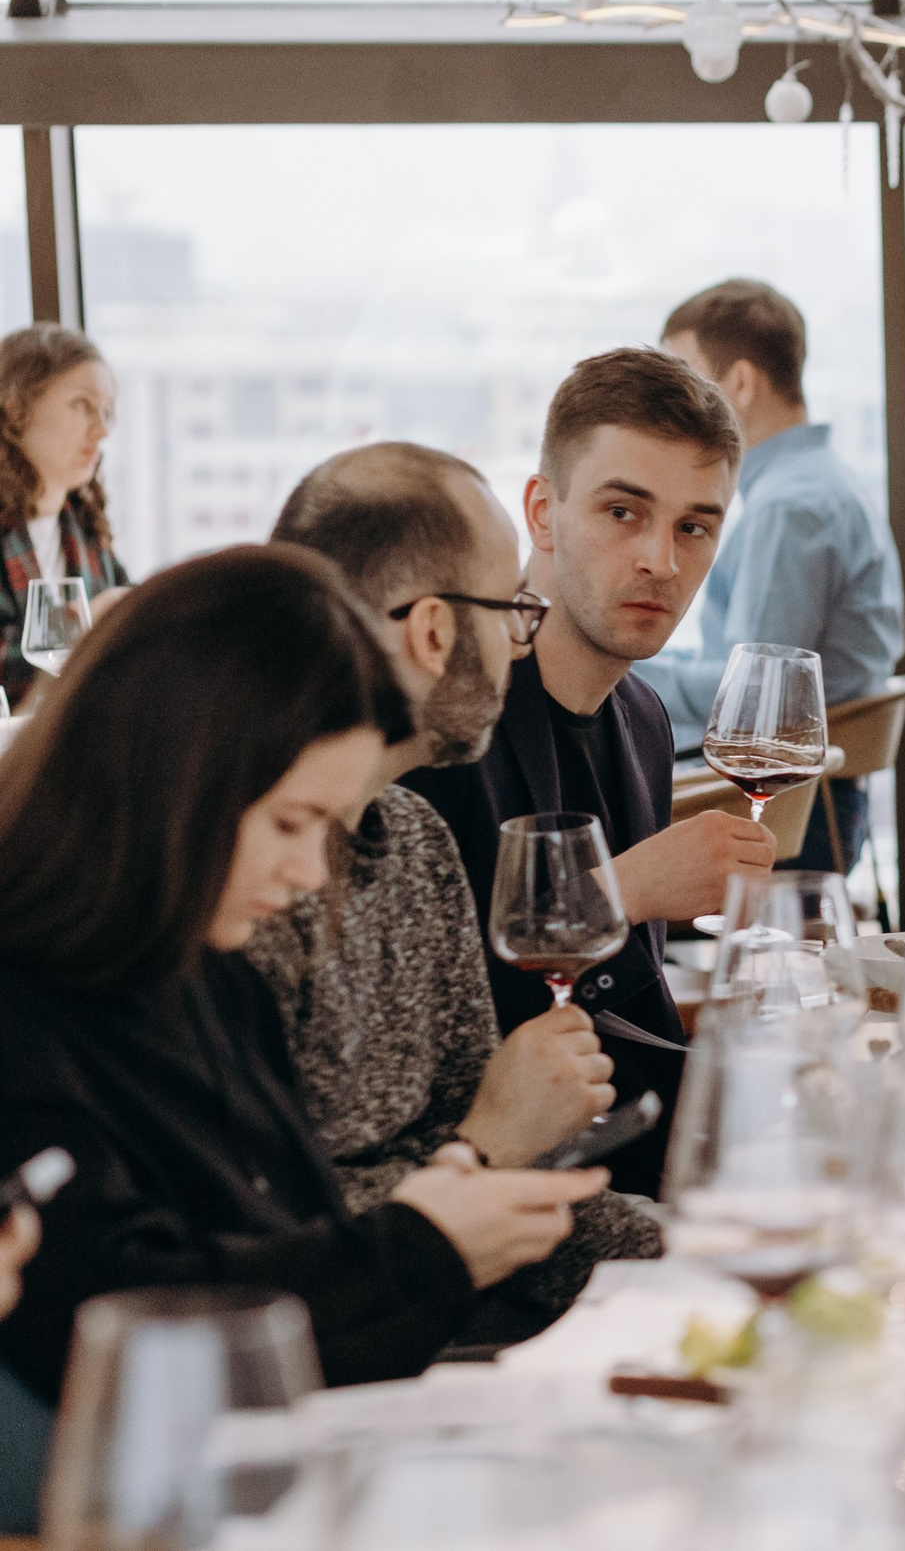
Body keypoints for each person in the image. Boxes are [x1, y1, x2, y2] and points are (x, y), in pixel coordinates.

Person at [0, 545, 605, 1404]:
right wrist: (425, 1247)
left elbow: (298, 1256)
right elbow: (118, 1330)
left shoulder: (217, 981)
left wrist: (442, 1204)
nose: (310, 875)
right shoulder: (25, 1010)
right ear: (172, 781)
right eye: (291, 823)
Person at [262, 442, 662, 1334]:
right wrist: (490, 1142)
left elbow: (511, 1178)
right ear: (436, 631)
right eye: (515, 609)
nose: (524, 638)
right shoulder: (239, 888)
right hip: (368, 1348)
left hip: (474, 1301)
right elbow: (278, 1255)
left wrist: (681, 1271)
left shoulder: (414, 842)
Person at [406, 350, 774, 1195]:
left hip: (621, 1159)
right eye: (622, 511)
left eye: (695, 526)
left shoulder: (643, 719)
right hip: (477, 1189)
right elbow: (441, 1032)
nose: (661, 560)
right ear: (542, 511)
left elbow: (617, 1016)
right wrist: (620, 891)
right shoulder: (448, 719)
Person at [642, 281, 905, 871]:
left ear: (739, 383)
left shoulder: (789, 508)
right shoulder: (821, 482)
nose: (668, 406)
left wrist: (623, 672)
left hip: (789, 814)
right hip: (822, 803)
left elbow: (752, 701)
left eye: (683, 379)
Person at [0, 324, 129, 707]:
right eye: (82, 406)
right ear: (16, 406)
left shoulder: (85, 527)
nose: (102, 431)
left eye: (106, 412)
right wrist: (84, 627)